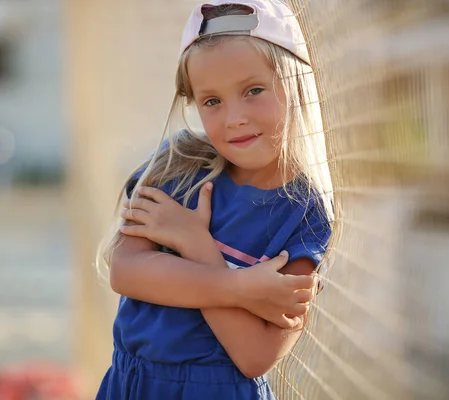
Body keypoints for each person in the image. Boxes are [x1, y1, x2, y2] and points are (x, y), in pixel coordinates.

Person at [95, 0, 334, 398]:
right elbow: (127, 272)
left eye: (253, 91)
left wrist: (195, 245)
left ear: (296, 85)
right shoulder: (178, 166)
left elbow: (255, 355)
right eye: (212, 101)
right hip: (133, 384)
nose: (233, 118)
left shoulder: (305, 213)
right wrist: (242, 288)